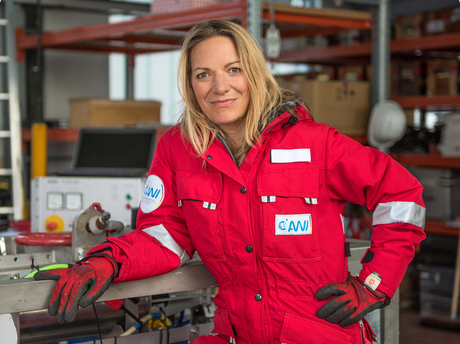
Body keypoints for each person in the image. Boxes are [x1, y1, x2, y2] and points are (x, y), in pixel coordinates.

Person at [35, 20, 426, 343]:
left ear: (253, 73)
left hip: (320, 332)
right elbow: (164, 237)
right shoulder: (178, 148)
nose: (220, 87)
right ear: (190, 85)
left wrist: (373, 283)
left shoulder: (314, 144)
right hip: (237, 333)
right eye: (203, 74)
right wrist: (105, 261)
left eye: (233, 70)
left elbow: (402, 193)